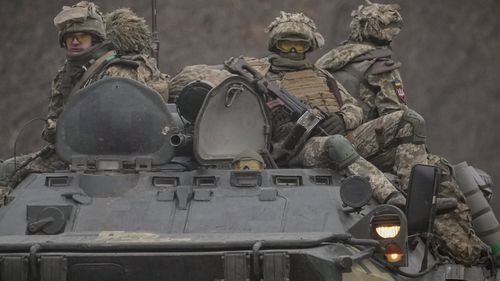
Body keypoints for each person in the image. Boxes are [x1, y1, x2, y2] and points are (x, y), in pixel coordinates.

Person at [315, 1, 486, 266]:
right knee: (438, 171)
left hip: (335, 146)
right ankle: (470, 253)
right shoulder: (378, 63)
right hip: (368, 146)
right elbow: (394, 112)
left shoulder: (327, 63)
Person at [240, 11, 407, 207]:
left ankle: (411, 190)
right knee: (336, 144)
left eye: (299, 45)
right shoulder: (260, 76)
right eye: (287, 44)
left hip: (337, 137)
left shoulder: (323, 76)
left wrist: (342, 119)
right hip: (295, 150)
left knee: (407, 120)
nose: (293, 50)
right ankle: (388, 194)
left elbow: (354, 108)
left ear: (308, 47)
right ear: (276, 46)